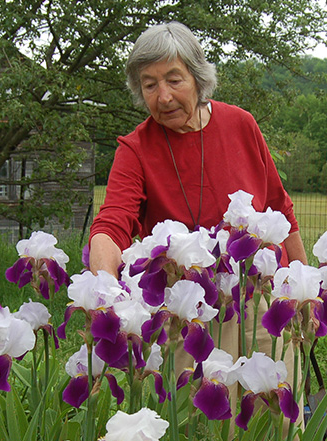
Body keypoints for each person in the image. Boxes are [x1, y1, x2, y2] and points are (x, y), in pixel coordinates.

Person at [89, 21, 307, 274]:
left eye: (174, 80)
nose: (164, 97)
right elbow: (112, 225)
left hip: (257, 283)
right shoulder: (136, 149)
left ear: (197, 78)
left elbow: (280, 209)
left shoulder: (241, 124)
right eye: (150, 85)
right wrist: (105, 287)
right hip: (184, 293)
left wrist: (304, 288)